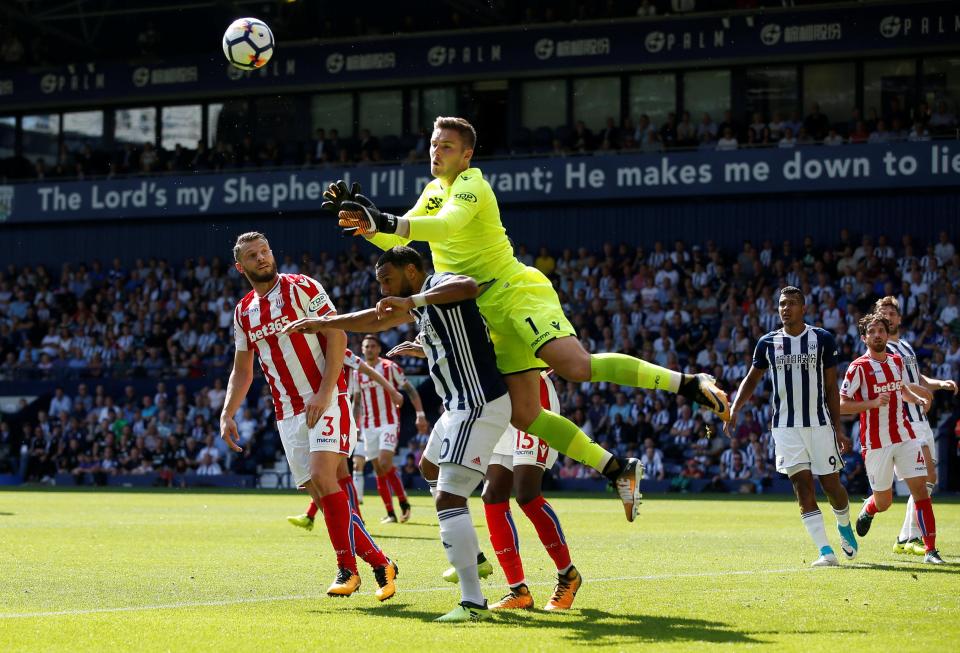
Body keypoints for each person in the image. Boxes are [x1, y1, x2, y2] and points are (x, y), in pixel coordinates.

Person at [325, 116, 732, 517]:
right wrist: (366, 225)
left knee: (574, 365)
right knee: (524, 414)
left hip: (515, 292)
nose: (436, 151)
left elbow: (446, 227)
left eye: (446, 146)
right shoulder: (434, 190)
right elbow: (402, 234)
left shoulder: (473, 185)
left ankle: (690, 384)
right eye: (433, 143)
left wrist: (386, 221)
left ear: (466, 155)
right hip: (484, 310)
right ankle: (617, 468)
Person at [284, 245, 512, 622]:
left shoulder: (438, 284)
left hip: (479, 401)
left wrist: (415, 299)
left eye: (388, 280)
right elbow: (373, 319)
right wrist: (327, 322)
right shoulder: (420, 308)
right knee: (428, 468)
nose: (384, 290)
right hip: (457, 406)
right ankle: (474, 556)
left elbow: (469, 286)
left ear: (411, 271)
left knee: (448, 498)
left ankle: (473, 601)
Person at [220, 231, 398, 600]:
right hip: (286, 411)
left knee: (323, 477)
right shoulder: (242, 312)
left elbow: (337, 335)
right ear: (241, 266)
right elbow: (243, 369)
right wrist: (228, 412)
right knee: (316, 488)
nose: (262, 258)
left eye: (266, 250)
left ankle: (347, 569)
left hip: (325, 398)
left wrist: (324, 390)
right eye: (253, 255)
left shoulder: (302, 287)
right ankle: (381, 562)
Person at [729, 286, 858, 567]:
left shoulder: (822, 339)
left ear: (804, 308)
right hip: (786, 428)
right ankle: (825, 551)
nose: (785, 309)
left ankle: (844, 525)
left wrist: (838, 428)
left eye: (791, 304)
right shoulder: (767, 343)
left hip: (820, 424)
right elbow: (752, 379)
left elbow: (831, 388)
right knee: (802, 487)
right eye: (781, 304)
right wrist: (735, 407)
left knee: (831, 485)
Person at [839, 313, 943, 564]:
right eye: (872, 331)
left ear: (887, 335)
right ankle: (870, 508)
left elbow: (901, 388)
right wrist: (872, 402)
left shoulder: (897, 361)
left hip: (905, 435)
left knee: (921, 490)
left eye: (881, 331)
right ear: (864, 338)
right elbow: (841, 405)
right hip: (876, 443)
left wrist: (915, 398)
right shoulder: (858, 367)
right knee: (885, 501)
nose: (877, 335)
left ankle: (930, 550)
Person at [480, 371, 582, 611]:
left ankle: (568, 575)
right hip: (497, 401)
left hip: (531, 394)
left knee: (527, 494)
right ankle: (518, 591)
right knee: (492, 494)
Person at [874, 296, 958, 555]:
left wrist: (939, 383)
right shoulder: (883, 350)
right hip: (904, 420)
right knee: (921, 480)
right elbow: (897, 383)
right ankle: (907, 534)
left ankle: (905, 537)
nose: (888, 317)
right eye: (883, 313)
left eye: (892, 313)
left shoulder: (907, 347)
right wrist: (921, 392)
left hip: (920, 419)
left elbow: (916, 377)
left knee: (929, 478)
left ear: (899, 318)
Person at [286, 348, 403, 529]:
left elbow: (368, 370)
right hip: (318, 413)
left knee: (339, 472)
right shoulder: (307, 348)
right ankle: (325, 517)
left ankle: (355, 521)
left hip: (337, 412)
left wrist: (392, 391)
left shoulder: (340, 349)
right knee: (331, 473)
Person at [357, 333, 427, 524]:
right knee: (378, 469)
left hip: (389, 422)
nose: (369, 349)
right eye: (366, 346)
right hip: (368, 425)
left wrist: (420, 414)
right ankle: (391, 512)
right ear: (362, 349)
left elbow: (410, 390)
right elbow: (356, 401)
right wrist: (355, 424)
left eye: (372, 346)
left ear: (379, 349)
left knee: (384, 462)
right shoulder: (357, 372)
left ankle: (403, 502)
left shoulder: (390, 367)